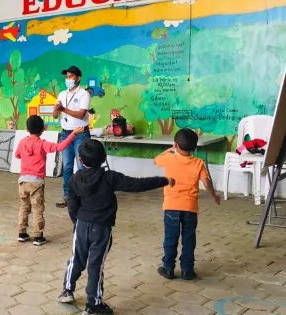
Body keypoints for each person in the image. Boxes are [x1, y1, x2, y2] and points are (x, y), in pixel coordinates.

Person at [58, 139, 174, 315]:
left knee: (77, 259)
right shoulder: (110, 177)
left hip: (81, 225)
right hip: (102, 229)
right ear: (104, 158)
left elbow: (72, 205)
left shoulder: (74, 179)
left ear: (80, 160)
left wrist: (77, 223)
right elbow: (137, 184)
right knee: (96, 265)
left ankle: (67, 290)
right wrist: (164, 180)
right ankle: (93, 305)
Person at [154, 128, 220, 281]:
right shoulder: (199, 163)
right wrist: (214, 197)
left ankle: (168, 268)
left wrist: (170, 150)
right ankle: (187, 270)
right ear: (194, 147)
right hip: (190, 208)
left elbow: (155, 160)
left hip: (171, 207)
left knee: (170, 238)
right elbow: (207, 183)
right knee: (189, 239)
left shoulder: (168, 158)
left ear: (176, 144)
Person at [15, 115, 85, 246]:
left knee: (24, 207)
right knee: (38, 208)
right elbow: (60, 147)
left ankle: (22, 233)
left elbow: (17, 155)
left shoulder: (22, 142)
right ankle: (38, 236)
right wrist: (73, 134)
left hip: (22, 180)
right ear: (43, 129)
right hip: (36, 182)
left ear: (26, 129)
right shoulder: (42, 144)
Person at [52, 65, 92, 208]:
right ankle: (68, 197)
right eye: (66, 77)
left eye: (70, 77)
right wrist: (56, 111)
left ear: (78, 78)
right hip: (66, 133)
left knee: (82, 167)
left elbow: (81, 114)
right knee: (67, 167)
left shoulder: (84, 94)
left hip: (80, 133)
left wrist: (63, 109)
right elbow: (56, 115)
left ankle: (84, 198)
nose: (67, 79)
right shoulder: (62, 94)